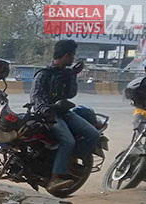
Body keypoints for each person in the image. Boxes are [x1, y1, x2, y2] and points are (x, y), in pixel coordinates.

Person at [30, 39, 101, 192]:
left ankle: (70, 160)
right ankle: (55, 178)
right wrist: (46, 110)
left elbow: (70, 94)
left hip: (64, 113)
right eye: (72, 56)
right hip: (48, 115)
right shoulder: (43, 75)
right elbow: (36, 98)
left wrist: (73, 75)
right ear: (66, 55)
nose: (73, 59)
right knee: (68, 141)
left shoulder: (67, 73)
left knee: (93, 134)